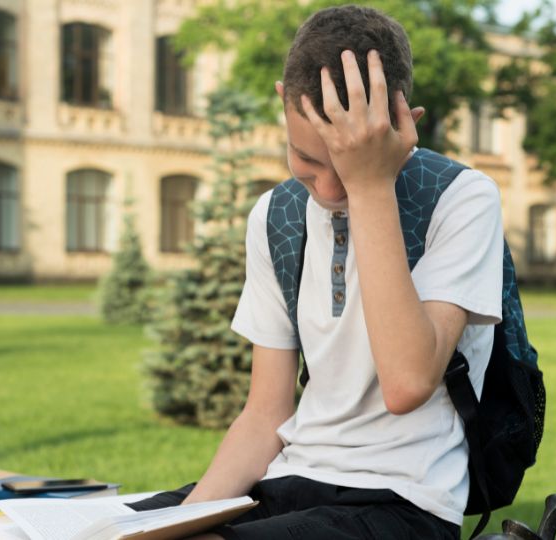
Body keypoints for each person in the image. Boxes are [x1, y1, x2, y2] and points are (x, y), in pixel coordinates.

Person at [129, 5, 505, 538]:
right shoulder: (275, 216)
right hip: (291, 478)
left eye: (347, 164)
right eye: (308, 159)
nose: (329, 191)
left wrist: (372, 186)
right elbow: (264, 416)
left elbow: (407, 382)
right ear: (283, 102)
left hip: (402, 501)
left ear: (402, 126)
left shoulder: (462, 200)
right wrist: (181, 522)